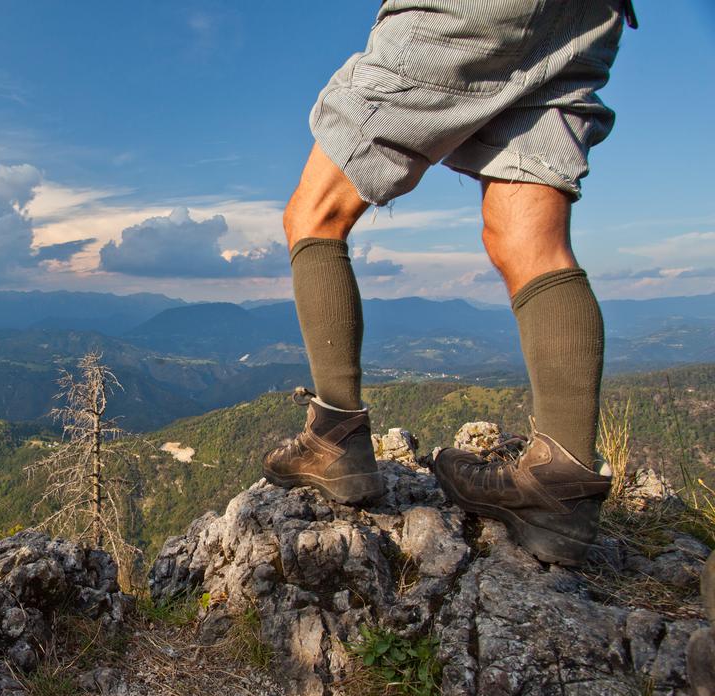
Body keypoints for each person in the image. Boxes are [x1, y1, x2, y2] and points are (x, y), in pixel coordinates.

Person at [262, 0, 636, 566]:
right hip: (587, 13)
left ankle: (335, 437)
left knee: (314, 214)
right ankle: (559, 489)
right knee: (527, 241)